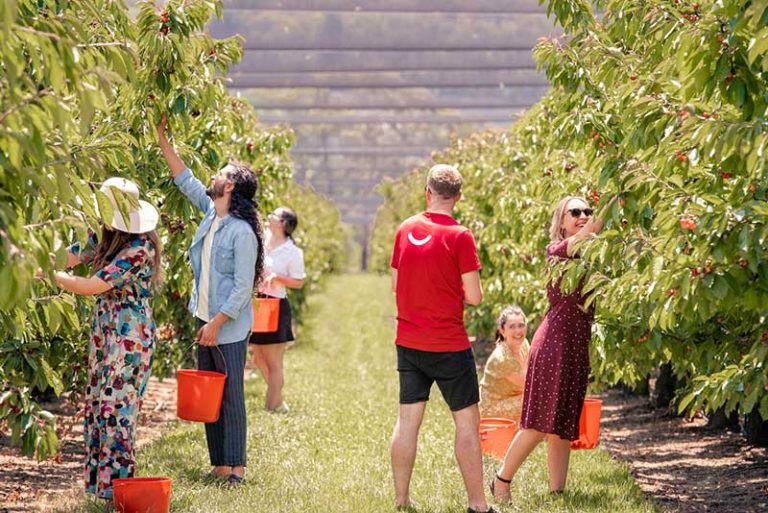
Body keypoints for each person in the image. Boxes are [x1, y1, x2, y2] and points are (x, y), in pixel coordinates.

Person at [157, 114, 263, 485]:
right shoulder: (211, 216)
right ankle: (218, 463)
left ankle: (236, 467)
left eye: (219, 174)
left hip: (227, 326)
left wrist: (217, 323)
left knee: (230, 394)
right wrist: (162, 139)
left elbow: (241, 287)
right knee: (210, 392)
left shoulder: (242, 233)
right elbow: (185, 181)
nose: (213, 178)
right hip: (206, 320)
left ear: (230, 186)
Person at [45, 177, 161, 500]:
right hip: (106, 334)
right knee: (98, 406)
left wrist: (50, 276)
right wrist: (34, 259)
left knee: (117, 410)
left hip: (129, 340)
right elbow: (69, 255)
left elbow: (94, 285)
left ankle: (119, 492)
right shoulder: (108, 237)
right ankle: (101, 491)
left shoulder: (140, 248)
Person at [390, 164, 496, 513]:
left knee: (407, 423)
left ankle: (402, 499)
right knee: (466, 423)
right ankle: (478, 505)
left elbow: (395, 284)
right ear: (459, 197)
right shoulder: (461, 236)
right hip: (449, 344)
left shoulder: (405, 229)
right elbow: (475, 296)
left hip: (408, 342)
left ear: (427, 192)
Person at [491, 196, 602, 502]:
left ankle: (558, 493)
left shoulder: (590, 257)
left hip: (576, 345)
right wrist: (618, 198)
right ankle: (501, 481)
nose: (583, 216)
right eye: (575, 212)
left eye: (587, 211)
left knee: (562, 424)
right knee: (539, 423)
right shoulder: (558, 251)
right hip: (555, 344)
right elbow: (587, 234)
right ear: (561, 222)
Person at [249, 207, 306, 413]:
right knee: (257, 356)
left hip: (275, 306)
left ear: (282, 223)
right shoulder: (263, 240)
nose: (269, 216)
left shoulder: (292, 252)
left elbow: (299, 281)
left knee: (273, 359)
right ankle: (278, 398)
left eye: (274, 215)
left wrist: (278, 278)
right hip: (258, 303)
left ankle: (272, 405)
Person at [479, 306, 530, 422]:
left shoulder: (524, 344)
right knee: (536, 402)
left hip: (512, 398)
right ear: (502, 331)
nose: (518, 331)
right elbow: (530, 385)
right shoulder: (502, 358)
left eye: (521, 325)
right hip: (491, 409)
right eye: (512, 327)